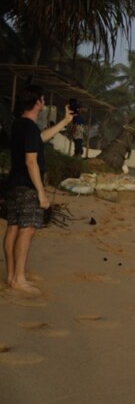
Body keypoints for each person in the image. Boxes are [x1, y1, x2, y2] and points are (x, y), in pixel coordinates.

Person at [3, 85, 74, 295]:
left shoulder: (20, 125)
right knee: (27, 229)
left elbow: (40, 139)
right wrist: (41, 192)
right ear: (37, 103)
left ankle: (11, 275)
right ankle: (18, 278)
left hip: (14, 184)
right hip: (28, 186)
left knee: (13, 227)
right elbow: (31, 161)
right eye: (42, 99)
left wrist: (64, 122)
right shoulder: (30, 128)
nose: (43, 102)